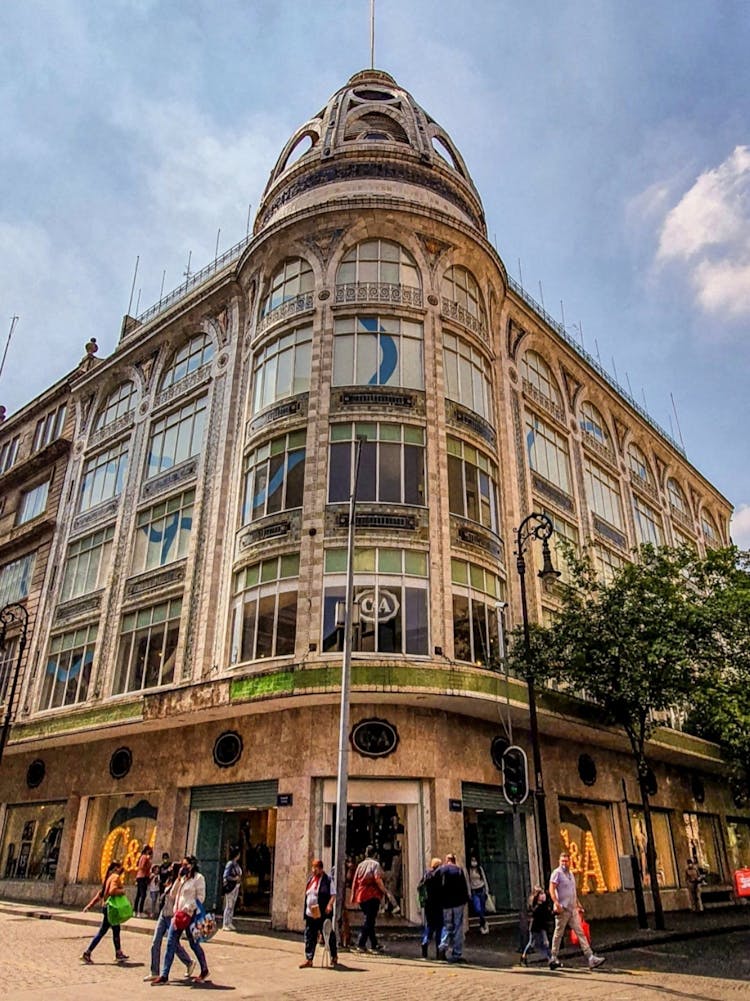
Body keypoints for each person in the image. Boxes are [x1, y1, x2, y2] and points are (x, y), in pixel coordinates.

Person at [152, 855, 209, 984]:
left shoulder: (198, 879)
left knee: (194, 944)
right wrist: (178, 878)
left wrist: (188, 908)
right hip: (177, 916)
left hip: (189, 915)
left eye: (186, 865)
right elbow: (172, 894)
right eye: (182, 865)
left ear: (192, 865)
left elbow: (201, 897)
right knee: (171, 943)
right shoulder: (183, 879)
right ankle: (164, 975)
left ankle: (204, 969)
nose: (183, 867)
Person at [548, 851, 605, 970]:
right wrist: (556, 903)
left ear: (569, 862)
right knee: (558, 933)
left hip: (572, 909)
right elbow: (552, 889)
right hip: (562, 909)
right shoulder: (556, 874)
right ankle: (553, 957)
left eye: (566, 861)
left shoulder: (571, 875)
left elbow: (573, 892)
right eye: (562, 861)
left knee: (580, 932)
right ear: (559, 862)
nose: (564, 863)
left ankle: (590, 957)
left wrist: (578, 905)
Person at [147, 862, 196, 981]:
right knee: (155, 941)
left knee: (173, 944)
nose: (169, 869)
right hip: (163, 914)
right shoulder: (169, 880)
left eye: (172, 868)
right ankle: (154, 971)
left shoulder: (181, 883)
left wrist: (178, 879)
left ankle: (188, 962)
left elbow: (174, 895)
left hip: (172, 916)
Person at [81, 860, 129, 964]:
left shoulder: (108, 878)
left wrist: (89, 906)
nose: (122, 869)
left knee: (115, 930)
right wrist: (122, 891)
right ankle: (88, 952)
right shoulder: (115, 878)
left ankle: (118, 953)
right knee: (105, 931)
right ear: (117, 868)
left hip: (107, 907)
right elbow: (112, 891)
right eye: (121, 867)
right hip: (111, 908)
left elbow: (100, 895)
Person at [299, 858, 338, 968]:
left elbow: (333, 894)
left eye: (316, 868)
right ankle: (309, 958)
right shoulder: (311, 879)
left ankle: (334, 956)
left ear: (321, 869)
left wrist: (330, 905)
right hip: (311, 913)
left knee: (328, 934)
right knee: (309, 935)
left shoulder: (328, 880)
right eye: (313, 868)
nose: (314, 870)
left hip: (322, 912)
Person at [351, 845, 386, 953]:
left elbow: (355, 881)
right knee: (369, 920)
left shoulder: (360, 865)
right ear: (375, 854)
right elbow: (378, 879)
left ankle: (374, 944)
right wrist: (384, 891)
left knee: (369, 920)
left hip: (361, 896)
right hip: (372, 895)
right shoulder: (375, 865)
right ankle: (361, 943)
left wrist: (353, 895)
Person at [437, 852, 469, 963]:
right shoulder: (459, 871)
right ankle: (456, 953)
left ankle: (443, 946)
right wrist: (465, 900)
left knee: (447, 926)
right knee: (458, 927)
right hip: (458, 903)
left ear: (447, 860)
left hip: (446, 903)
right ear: (454, 860)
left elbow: (437, 885)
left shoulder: (442, 870)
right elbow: (464, 887)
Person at [521, 886, 552, 965]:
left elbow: (548, 914)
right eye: (541, 894)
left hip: (542, 927)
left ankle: (550, 960)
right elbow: (536, 915)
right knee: (531, 943)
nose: (543, 895)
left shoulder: (544, 905)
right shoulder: (536, 907)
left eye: (543, 893)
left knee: (545, 943)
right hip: (535, 927)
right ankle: (523, 956)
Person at [419, 857, 443, 959]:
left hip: (428, 904)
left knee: (429, 926)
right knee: (439, 928)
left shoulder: (426, 875)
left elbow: (419, 887)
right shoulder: (440, 875)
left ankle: (425, 942)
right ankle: (439, 951)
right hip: (438, 904)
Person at [467, 854, 490, 935]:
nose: (474, 862)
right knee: (478, 909)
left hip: (481, 889)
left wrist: (487, 890)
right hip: (474, 891)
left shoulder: (480, 869)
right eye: (472, 860)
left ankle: (482, 925)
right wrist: (469, 892)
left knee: (482, 909)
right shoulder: (469, 870)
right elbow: (468, 882)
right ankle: (484, 923)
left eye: (475, 860)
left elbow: (484, 879)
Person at [222, 845, 243, 931]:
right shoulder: (230, 864)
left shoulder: (236, 864)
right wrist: (234, 879)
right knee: (229, 905)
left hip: (236, 886)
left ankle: (229, 922)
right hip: (231, 886)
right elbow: (226, 876)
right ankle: (225, 923)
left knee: (232, 905)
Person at [134, 845, 153, 917]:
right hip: (143, 877)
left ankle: (135, 910)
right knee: (143, 895)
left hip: (139, 876)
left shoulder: (141, 856)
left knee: (138, 894)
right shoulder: (145, 857)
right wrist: (148, 866)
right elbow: (142, 867)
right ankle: (140, 911)